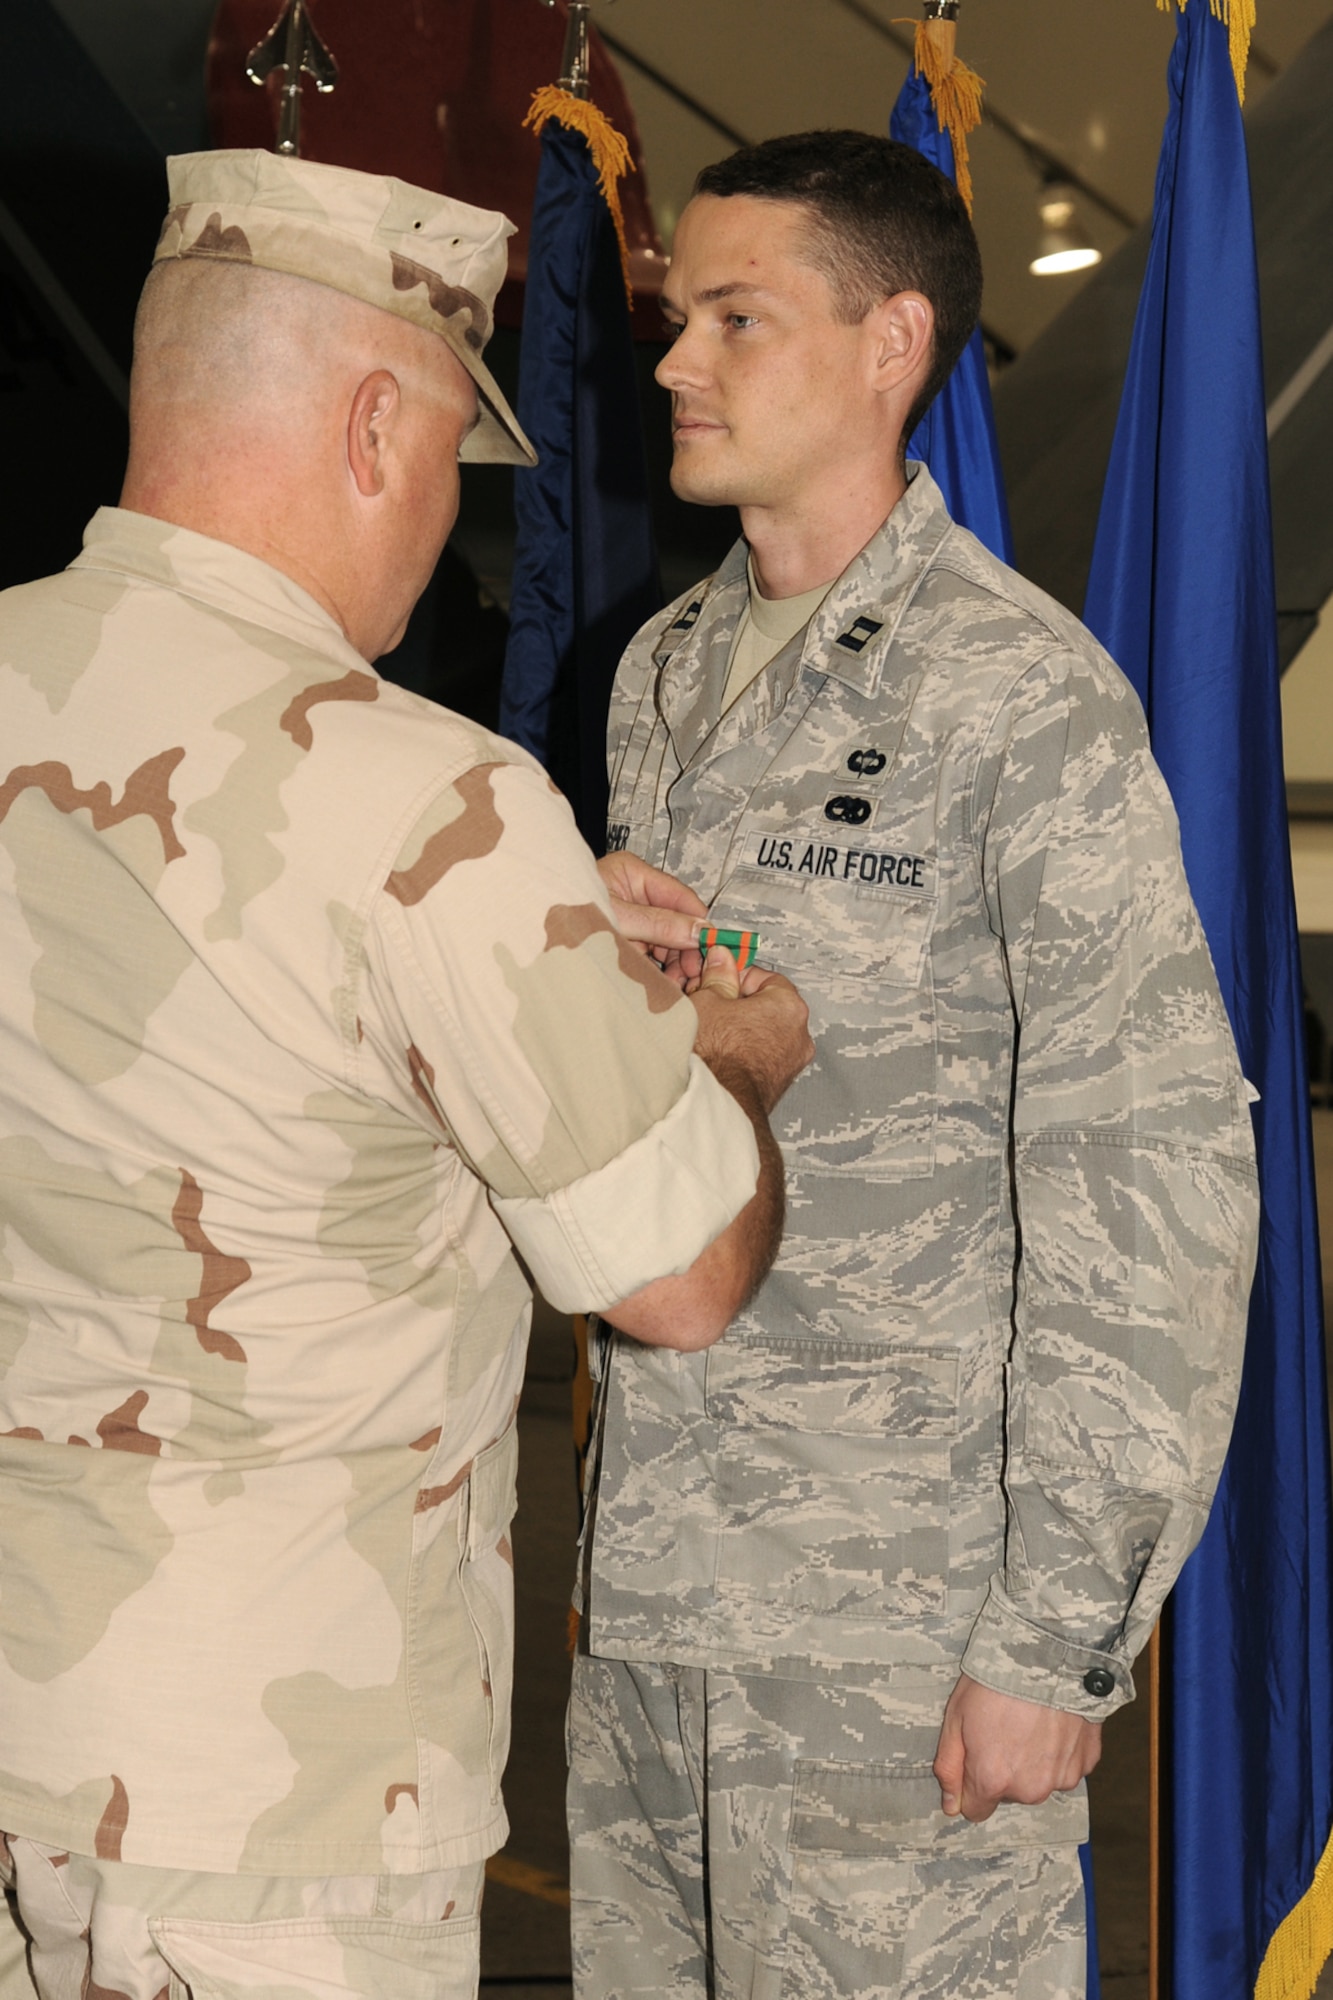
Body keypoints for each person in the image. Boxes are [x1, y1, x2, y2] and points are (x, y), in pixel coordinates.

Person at [0, 147, 812, 2000]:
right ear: (376, 421)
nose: (445, 508)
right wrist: (726, 1052)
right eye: (452, 453)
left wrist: (519, 956)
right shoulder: (427, 801)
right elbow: (677, 1280)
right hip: (266, 1816)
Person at [568, 130, 1260, 2000]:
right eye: (672, 318)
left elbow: (1155, 1171)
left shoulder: (1014, 694)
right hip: (657, 1602)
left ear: (890, 345)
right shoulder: (659, 672)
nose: (672, 364)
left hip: (901, 1631)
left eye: (733, 318)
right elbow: (744, 1047)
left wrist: (1055, 1640)